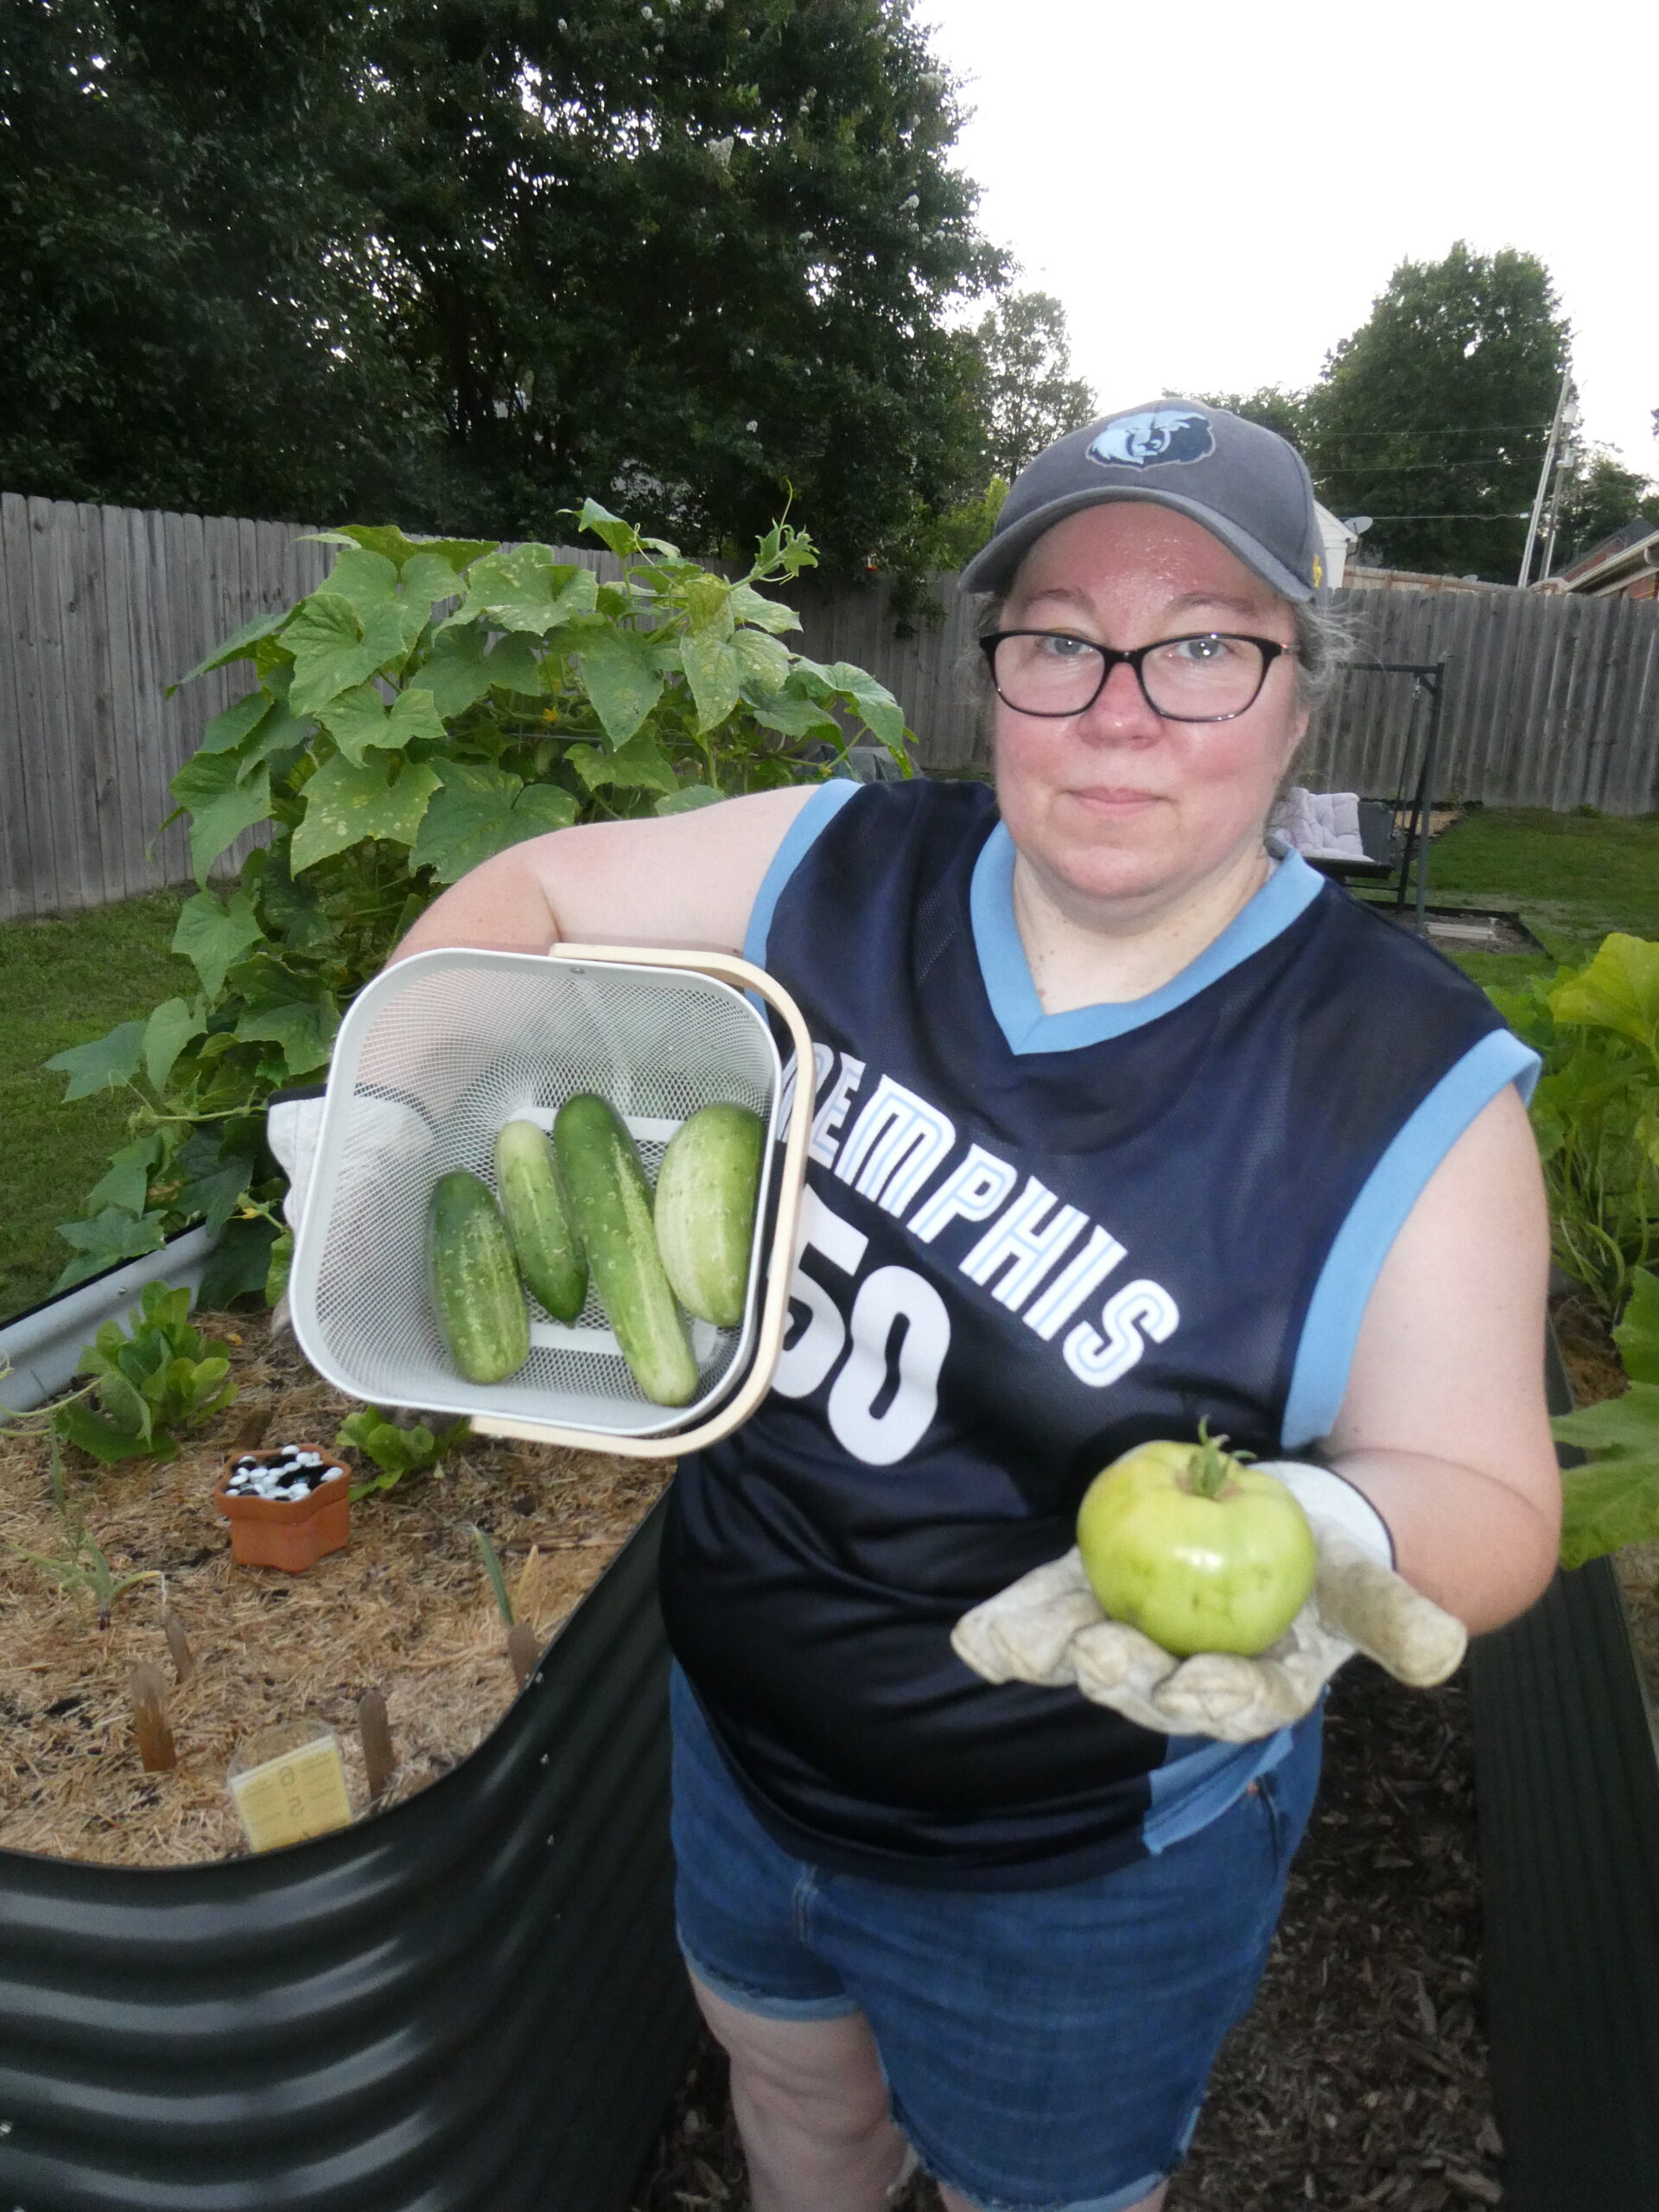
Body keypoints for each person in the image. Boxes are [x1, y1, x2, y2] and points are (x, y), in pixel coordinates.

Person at [388, 400, 1561, 2212]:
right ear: (994, 675)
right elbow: (530, 892)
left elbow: (1488, 1495)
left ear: (1300, 700)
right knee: (791, 2089)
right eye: (1059, 641)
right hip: (738, 1751)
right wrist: (403, 1118)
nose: (1117, 708)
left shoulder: (1406, 1081)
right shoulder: (838, 866)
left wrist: (1326, 1534)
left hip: (1076, 1873)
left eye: (1203, 648)